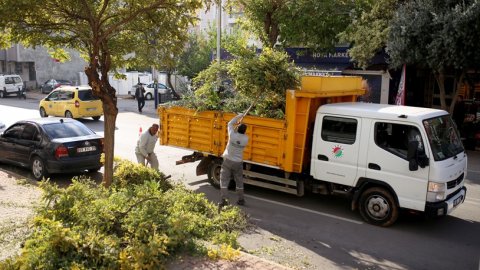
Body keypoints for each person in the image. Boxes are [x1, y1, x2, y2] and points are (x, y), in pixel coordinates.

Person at [219, 113, 249, 208]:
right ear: (244, 131)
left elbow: (230, 124)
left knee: (224, 181)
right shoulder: (246, 139)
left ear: (237, 129)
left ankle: (224, 200)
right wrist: (238, 126)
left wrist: (239, 116)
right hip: (238, 163)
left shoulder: (232, 135)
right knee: (239, 181)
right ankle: (241, 199)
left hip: (228, 161)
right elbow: (239, 133)